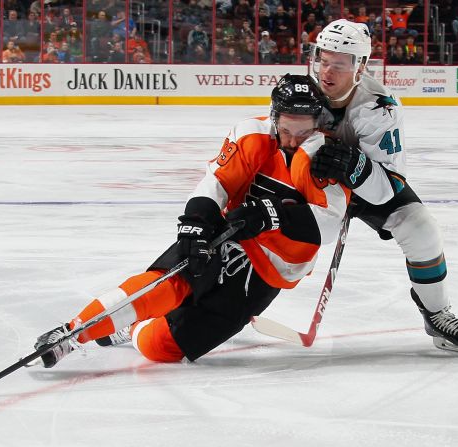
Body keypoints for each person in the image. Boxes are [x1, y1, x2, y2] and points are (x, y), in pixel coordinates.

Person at [34, 74, 350, 367]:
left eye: (303, 130)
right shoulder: (253, 135)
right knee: (170, 280)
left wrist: (269, 214)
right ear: (274, 116)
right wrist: (197, 220)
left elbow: (328, 222)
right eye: (286, 129)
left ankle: (133, 328)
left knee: (161, 347)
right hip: (228, 235)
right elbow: (217, 183)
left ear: (317, 121)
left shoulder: (324, 158)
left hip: (270, 267)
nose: (293, 140)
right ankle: (70, 334)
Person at [306, 19, 458, 354]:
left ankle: (436, 311)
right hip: (316, 180)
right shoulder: (302, 93)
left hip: (367, 181)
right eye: (323, 61)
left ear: (361, 66)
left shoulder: (379, 106)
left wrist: (355, 168)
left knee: (420, 228)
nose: (327, 72)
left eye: (339, 65)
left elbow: (387, 187)